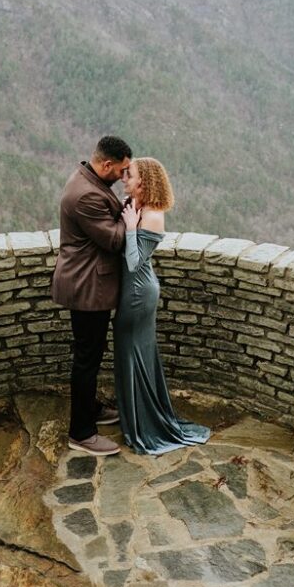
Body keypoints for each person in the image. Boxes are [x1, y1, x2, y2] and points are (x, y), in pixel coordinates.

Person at [114, 157, 210, 454]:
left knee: (133, 356)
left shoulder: (152, 216)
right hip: (133, 291)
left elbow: (133, 262)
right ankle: (135, 416)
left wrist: (131, 228)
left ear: (143, 180)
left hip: (139, 293)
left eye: (128, 175)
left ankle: (146, 425)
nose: (123, 179)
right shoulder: (136, 207)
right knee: (130, 354)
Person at [51, 135, 132, 457]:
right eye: (123, 171)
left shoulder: (90, 181)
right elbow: (113, 240)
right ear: (107, 164)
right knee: (86, 360)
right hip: (87, 287)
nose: (125, 177)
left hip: (90, 284)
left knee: (92, 354)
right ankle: (81, 432)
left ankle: (93, 408)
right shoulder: (85, 195)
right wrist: (133, 212)